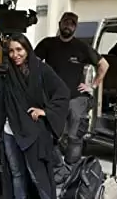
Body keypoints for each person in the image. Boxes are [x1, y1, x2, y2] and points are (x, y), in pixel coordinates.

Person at [0, 33, 70, 199]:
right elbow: (4, 103)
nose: (15, 54)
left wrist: (46, 112)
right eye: (11, 51)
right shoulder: (9, 73)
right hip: (10, 131)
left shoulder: (41, 69)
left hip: (33, 131)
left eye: (19, 50)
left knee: (38, 175)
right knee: (17, 173)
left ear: (27, 49)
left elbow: (62, 91)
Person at [34, 12, 109, 165]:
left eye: (72, 24)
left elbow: (104, 65)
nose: (68, 26)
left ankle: (72, 172)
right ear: (60, 23)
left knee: (75, 138)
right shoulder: (47, 44)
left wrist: (92, 86)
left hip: (76, 98)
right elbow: (32, 65)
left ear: (75, 27)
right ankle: (55, 169)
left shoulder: (82, 47)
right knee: (50, 135)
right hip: (52, 99)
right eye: (66, 22)